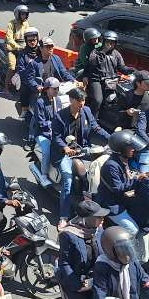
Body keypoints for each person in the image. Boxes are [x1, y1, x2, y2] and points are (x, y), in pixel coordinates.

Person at [51, 88, 110, 227]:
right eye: (79, 100)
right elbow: (56, 137)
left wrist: (111, 138)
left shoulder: (87, 111)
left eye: (83, 100)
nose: (82, 103)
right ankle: (64, 216)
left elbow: (96, 128)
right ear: (71, 100)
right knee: (68, 181)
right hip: (64, 153)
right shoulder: (59, 116)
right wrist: (65, 148)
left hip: (83, 149)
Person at [57, 200, 109, 299]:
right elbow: (65, 264)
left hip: (96, 276)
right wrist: (78, 285)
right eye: (98, 217)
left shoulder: (98, 229)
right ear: (86, 219)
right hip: (75, 280)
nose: (102, 219)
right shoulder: (68, 235)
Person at [85, 31, 132, 116]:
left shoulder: (116, 54)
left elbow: (121, 67)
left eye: (113, 42)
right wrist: (104, 51)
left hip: (111, 81)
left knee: (119, 98)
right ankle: (91, 119)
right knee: (98, 100)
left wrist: (131, 70)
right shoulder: (96, 51)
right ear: (103, 41)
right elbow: (93, 63)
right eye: (108, 42)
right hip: (97, 80)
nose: (111, 44)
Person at [4, 5, 30, 90]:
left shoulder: (26, 24)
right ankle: (6, 88)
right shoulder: (11, 24)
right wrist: (17, 47)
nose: (24, 16)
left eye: (25, 14)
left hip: (22, 48)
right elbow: (9, 39)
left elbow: (28, 34)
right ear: (17, 14)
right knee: (12, 67)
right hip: (12, 49)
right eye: (22, 14)